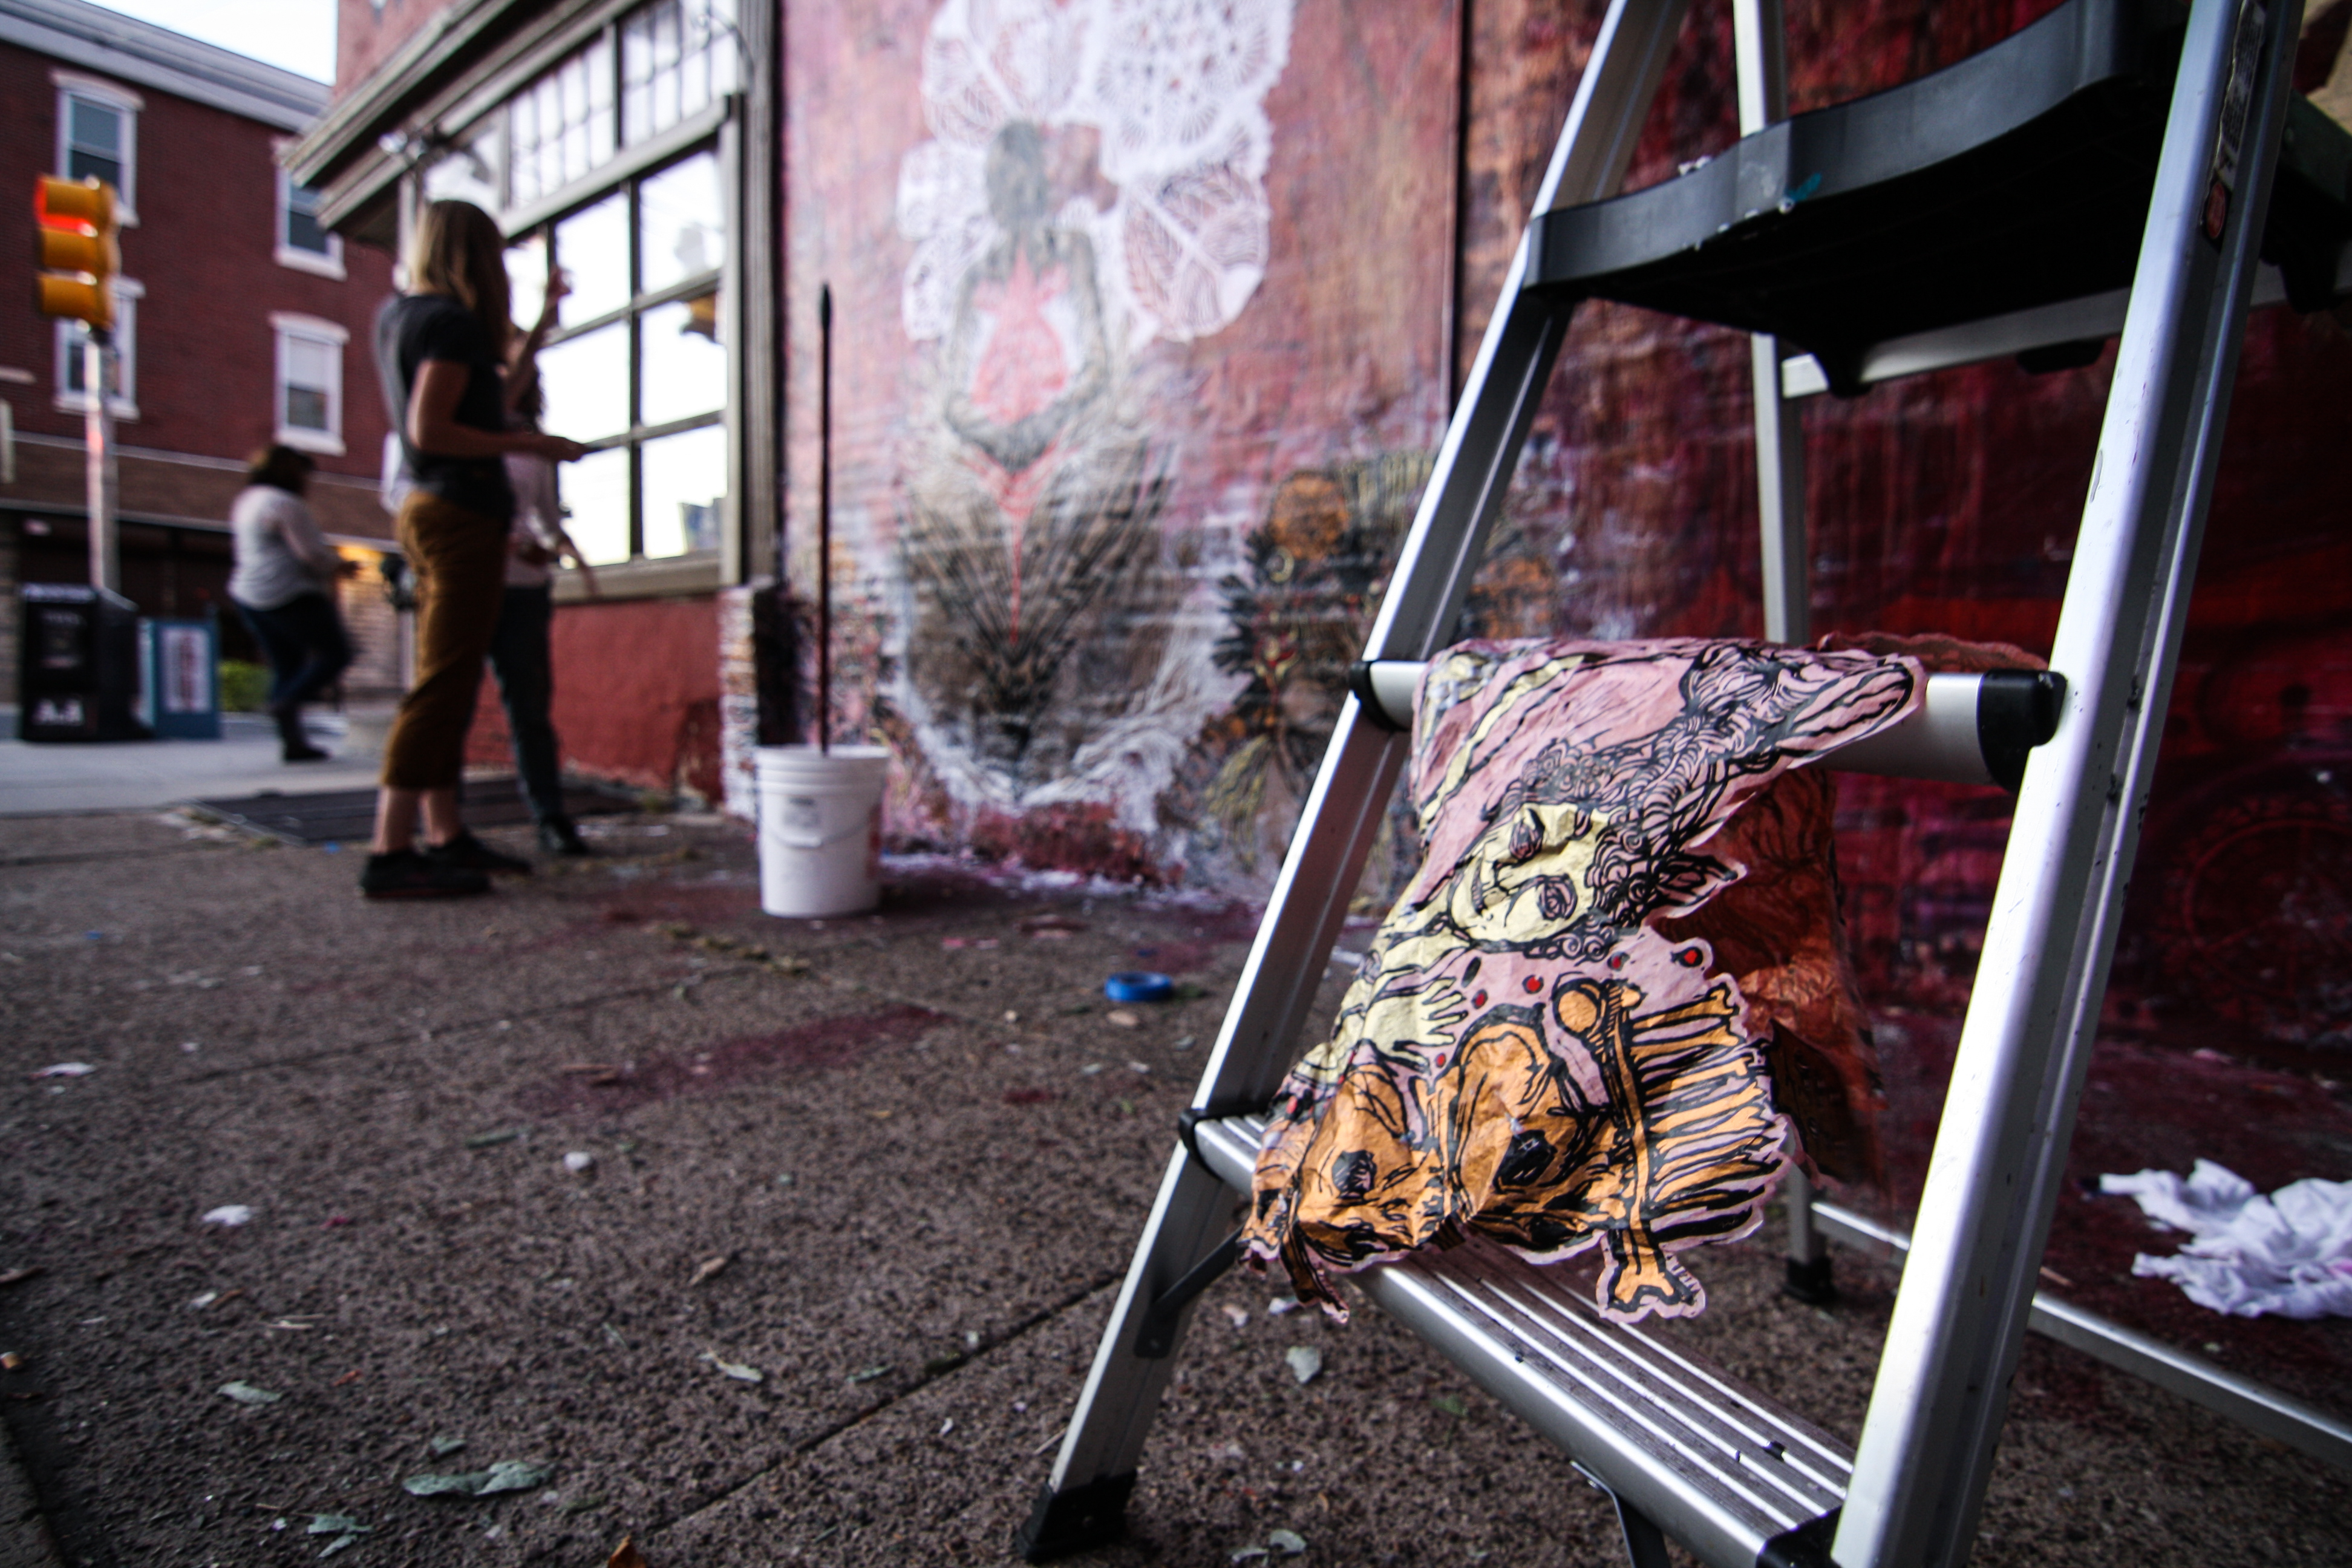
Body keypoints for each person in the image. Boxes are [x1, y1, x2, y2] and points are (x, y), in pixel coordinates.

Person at [364, 198, 586, 900]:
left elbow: (492, 396)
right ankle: (390, 850)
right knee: (441, 686)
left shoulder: (400, 316)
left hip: (432, 511)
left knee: (449, 679)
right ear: (476, 254)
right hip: (459, 511)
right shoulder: (452, 322)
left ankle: (445, 832)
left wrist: (543, 323)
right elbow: (430, 429)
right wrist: (531, 443)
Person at [491, 261, 599, 855]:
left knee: (531, 707)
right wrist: (507, 541)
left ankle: (550, 816)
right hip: (469, 580)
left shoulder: (532, 448)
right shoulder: (447, 427)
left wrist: (564, 551)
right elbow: (403, 492)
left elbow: (547, 520)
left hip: (525, 591)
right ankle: (439, 823)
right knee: (445, 703)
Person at [226, 445, 355, 762]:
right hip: (290, 593)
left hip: (249, 596)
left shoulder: (248, 501)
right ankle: (287, 702)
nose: (307, 482)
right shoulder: (285, 503)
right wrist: (341, 565)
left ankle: (293, 742)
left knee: (287, 665)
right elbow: (310, 554)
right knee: (337, 653)